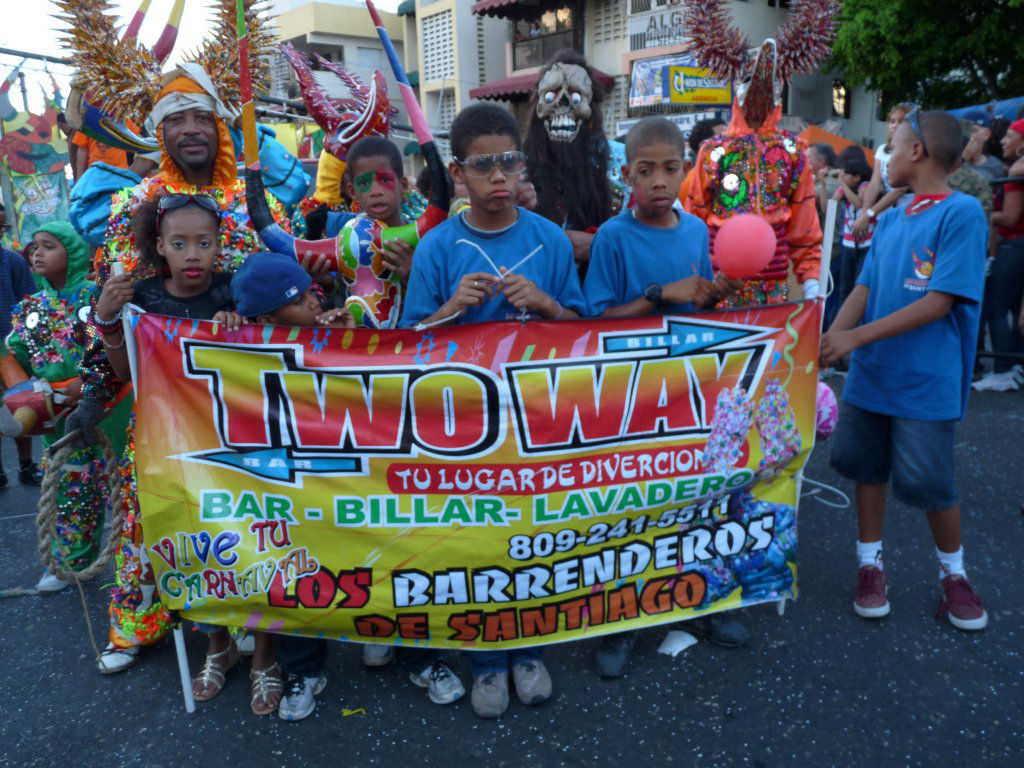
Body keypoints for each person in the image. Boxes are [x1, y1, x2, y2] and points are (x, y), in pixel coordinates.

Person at [402, 103, 587, 718]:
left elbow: (587, 334)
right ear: (458, 173)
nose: (499, 176)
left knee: (531, 541)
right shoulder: (437, 248)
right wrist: (449, 309)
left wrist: (547, 304)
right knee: (474, 544)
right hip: (463, 429)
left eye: (509, 161)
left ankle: (528, 649)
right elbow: (402, 348)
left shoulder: (549, 241)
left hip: (536, 423)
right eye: (483, 165)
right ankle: (485, 658)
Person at [92, 193, 283, 714]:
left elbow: (273, 352)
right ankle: (217, 646)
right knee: (198, 550)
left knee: (261, 544)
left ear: (220, 245)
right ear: (159, 246)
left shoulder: (235, 292)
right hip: (175, 449)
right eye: (180, 243)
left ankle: (265, 654)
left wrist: (240, 326)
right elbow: (125, 372)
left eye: (204, 242)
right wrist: (109, 321)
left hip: (242, 444)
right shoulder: (145, 300)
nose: (193, 253)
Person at [583, 116, 744, 678]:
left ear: (686, 170)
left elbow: (698, 306)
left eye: (670, 169)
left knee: (699, 501)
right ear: (625, 173)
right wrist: (658, 296)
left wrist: (715, 295)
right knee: (630, 512)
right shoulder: (612, 237)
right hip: (632, 397)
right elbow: (596, 321)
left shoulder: (698, 230)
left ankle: (704, 600)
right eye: (645, 170)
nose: (658, 181)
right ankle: (622, 619)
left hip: (695, 392)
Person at [822, 110, 988, 631]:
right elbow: (864, 289)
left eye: (891, 147)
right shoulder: (892, 219)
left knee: (931, 483)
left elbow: (939, 301)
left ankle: (954, 575)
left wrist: (854, 338)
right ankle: (869, 565)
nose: (885, 158)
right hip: (872, 378)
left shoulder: (962, 213)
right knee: (866, 471)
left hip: (925, 382)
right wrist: (830, 339)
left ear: (917, 152)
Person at [229, 251, 352, 720]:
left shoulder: (331, 330)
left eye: (311, 292)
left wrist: (346, 341)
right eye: (298, 300)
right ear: (264, 317)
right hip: (284, 487)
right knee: (295, 570)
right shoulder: (239, 350)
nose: (314, 302)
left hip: (344, 478)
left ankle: (413, 652)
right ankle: (302, 667)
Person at [4, 223, 132, 592]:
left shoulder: (96, 298)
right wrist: (29, 395)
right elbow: (19, 360)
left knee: (121, 484)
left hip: (109, 405)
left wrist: (88, 384)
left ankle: (134, 558)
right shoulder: (30, 309)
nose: (37, 253)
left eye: (49, 246)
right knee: (70, 487)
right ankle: (73, 560)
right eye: (35, 247)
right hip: (57, 416)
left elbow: (109, 344)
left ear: (73, 253)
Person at [974, 119, 1024, 392]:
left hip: (1014, 244)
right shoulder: (1013, 168)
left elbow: (1010, 216)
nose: (1003, 140)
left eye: (1010, 136)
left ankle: (1005, 370)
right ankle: (1014, 367)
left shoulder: (1016, 170)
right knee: (1015, 310)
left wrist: (974, 210)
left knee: (996, 307)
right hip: (1015, 245)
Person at [0, 218, 44, 488]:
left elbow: (31, 305)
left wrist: (32, 342)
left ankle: (27, 464)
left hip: (12, 348)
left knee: (21, 404)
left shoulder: (13, 262)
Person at [851, 103, 915, 242]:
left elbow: (900, 189)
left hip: (905, 214)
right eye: (892, 121)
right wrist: (864, 215)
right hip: (884, 215)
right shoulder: (882, 149)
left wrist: (870, 213)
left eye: (901, 121)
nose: (894, 125)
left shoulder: (913, 150)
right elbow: (875, 184)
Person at [832, 149, 875, 315]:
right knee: (844, 286)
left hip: (865, 244)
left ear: (857, 177)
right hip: (848, 243)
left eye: (846, 174)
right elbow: (828, 205)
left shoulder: (865, 185)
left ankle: (856, 321)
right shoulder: (846, 188)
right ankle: (842, 321)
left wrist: (842, 183)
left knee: (859, 284)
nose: (842, 177)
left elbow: (859, 204)